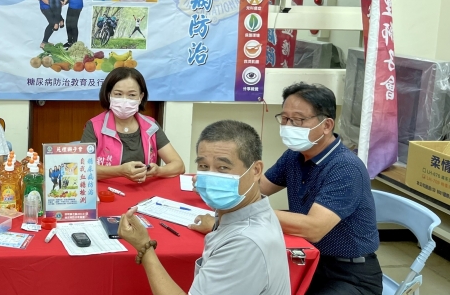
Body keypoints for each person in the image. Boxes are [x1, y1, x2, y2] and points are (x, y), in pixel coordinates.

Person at [118, 120, 289, 295]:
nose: (211, 177)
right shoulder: (254, 210)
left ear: (256, 170)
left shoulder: (245, 244)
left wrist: (145, 247)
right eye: (204, 166)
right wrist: (216, 225)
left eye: (223, 168)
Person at [262, 82, 382, 295]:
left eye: (298, 120)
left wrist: (249, 212)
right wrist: (220, 184)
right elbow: (258, 189)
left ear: (326, 125)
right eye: (285, 118)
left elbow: (313, 229)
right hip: (307, 260)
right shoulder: (294, 155)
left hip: (349, 274)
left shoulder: (345, 167)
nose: (288, 126)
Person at [81, 68, 184, 182]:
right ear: (109, 95)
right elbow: (83, 168)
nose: (124, 100)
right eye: (118, 94)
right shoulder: (94, 126)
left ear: (141, 97)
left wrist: (158, 171)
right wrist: (120, 171)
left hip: (142, 188)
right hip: (107, 190)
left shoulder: (151, 126)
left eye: (131, 95)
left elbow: (179, 165)